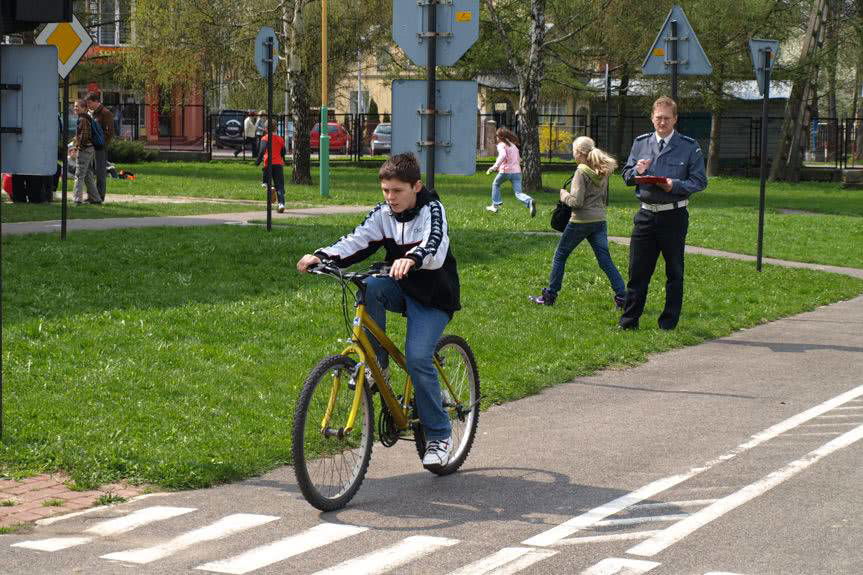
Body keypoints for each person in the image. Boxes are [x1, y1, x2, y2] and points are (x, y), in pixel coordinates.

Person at [296, 153, 460, 467]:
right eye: (385, 190)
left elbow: (435, 246)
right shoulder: (384, 213)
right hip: (399, 286)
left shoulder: (432, 210)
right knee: (368, 285)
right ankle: (377, 367)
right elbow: (357, 240)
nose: (390, 197)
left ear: (416, 186)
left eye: (397, 191)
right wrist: (322, 255)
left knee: (417, 358)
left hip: (433, 297)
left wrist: (412, 258)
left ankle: (439, 435)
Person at [618, 96, 707, 331]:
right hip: (645, 216)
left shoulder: (689, 146)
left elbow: (699, 181)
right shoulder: (641, 143)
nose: (662, 123)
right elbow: (626, 175)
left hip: (673, 217)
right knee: (637, 272)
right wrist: (635, 171)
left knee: (674, 271)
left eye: (667, 118)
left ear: (675, 119)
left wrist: (674, 185)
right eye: (658, 118)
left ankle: (668, 323)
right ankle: (629, 322)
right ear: (652, 117)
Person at [529, 136, 626, 307]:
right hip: (599, 220)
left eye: (574, 151)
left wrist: (563, 195)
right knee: (605, 260)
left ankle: (550, 295)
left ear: (579, 153)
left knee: (560, 256)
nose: (573, 155)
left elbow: (577, 202)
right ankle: (622, 296)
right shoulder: (602, 170)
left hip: (580, 221)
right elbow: (603, 198)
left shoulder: (581, 172)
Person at [485, 127, 535, 217]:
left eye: (497, 136)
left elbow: (503, 155)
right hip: (517, 172)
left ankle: (495, 205)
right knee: (518, 193)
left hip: (506, 171)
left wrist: (494, 167)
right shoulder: (513, 146)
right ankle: (529, 200)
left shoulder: (501, 145)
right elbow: (519, 159)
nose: (496, 138)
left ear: (500, 137)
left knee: (496, 184)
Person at [70, 99, 101, 205]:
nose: (75, 108)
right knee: (87, 174)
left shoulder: (83, 119)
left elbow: (85, 136)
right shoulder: (85, 118)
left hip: (85, 150)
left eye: (77, 106)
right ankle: (95, 198)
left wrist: (77, 147)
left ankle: (77, 199)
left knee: (79, 175)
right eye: (74, 106)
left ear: (84, 108)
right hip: (89, 149)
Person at [85, 92, 114, 201]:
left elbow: (109, 133)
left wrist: (101, 144)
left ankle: (100, 196)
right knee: (90, 172)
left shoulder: (105, 113)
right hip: (90, 147)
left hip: (100, 148)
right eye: (87, 103)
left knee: (100, 173)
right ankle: (92, 195)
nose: (88, 105)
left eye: (90, 103)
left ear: (97, 101)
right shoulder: (91, 113)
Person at [255, 119, 287, 212]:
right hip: (278, 164)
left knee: (265, 182)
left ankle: (270, 187)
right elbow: (283, 151)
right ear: (276, 128)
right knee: (280, 185)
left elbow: (261, 151)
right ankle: (281, 204)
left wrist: (257, 161)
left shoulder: (264, 138)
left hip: (267, 164)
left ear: (265, 128)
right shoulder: (280, 139)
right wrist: (283, 160)